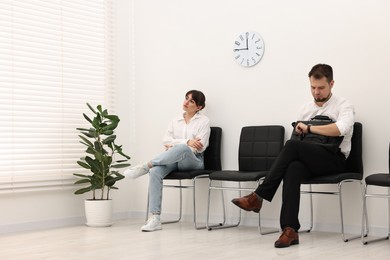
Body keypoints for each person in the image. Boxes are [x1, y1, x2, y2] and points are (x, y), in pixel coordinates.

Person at [231, 64, 355, 248]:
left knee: (291, 146)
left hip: (333, 160)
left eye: (321, 87)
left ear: (331, 84)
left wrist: (310, 128)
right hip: (308, 158)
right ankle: (290, 230)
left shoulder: (343, 105)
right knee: (292, 168)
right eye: (313, 87)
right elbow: (297, 139)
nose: (316, 92)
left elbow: (340, 129)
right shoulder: (305, 108)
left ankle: (258, 197)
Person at [124, 90, 210, 232]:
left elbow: (201, 146)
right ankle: (155, 218)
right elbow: (166, 141)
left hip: (194, 161)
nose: (186, 102)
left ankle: (145, 165)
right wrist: (188, 141)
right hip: (172, 160)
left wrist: (181, 144)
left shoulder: (203, 121)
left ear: (199, 107)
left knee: (182, 149)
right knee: (156, 171)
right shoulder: (175, 120)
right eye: (186, 98)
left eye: (191, 101)